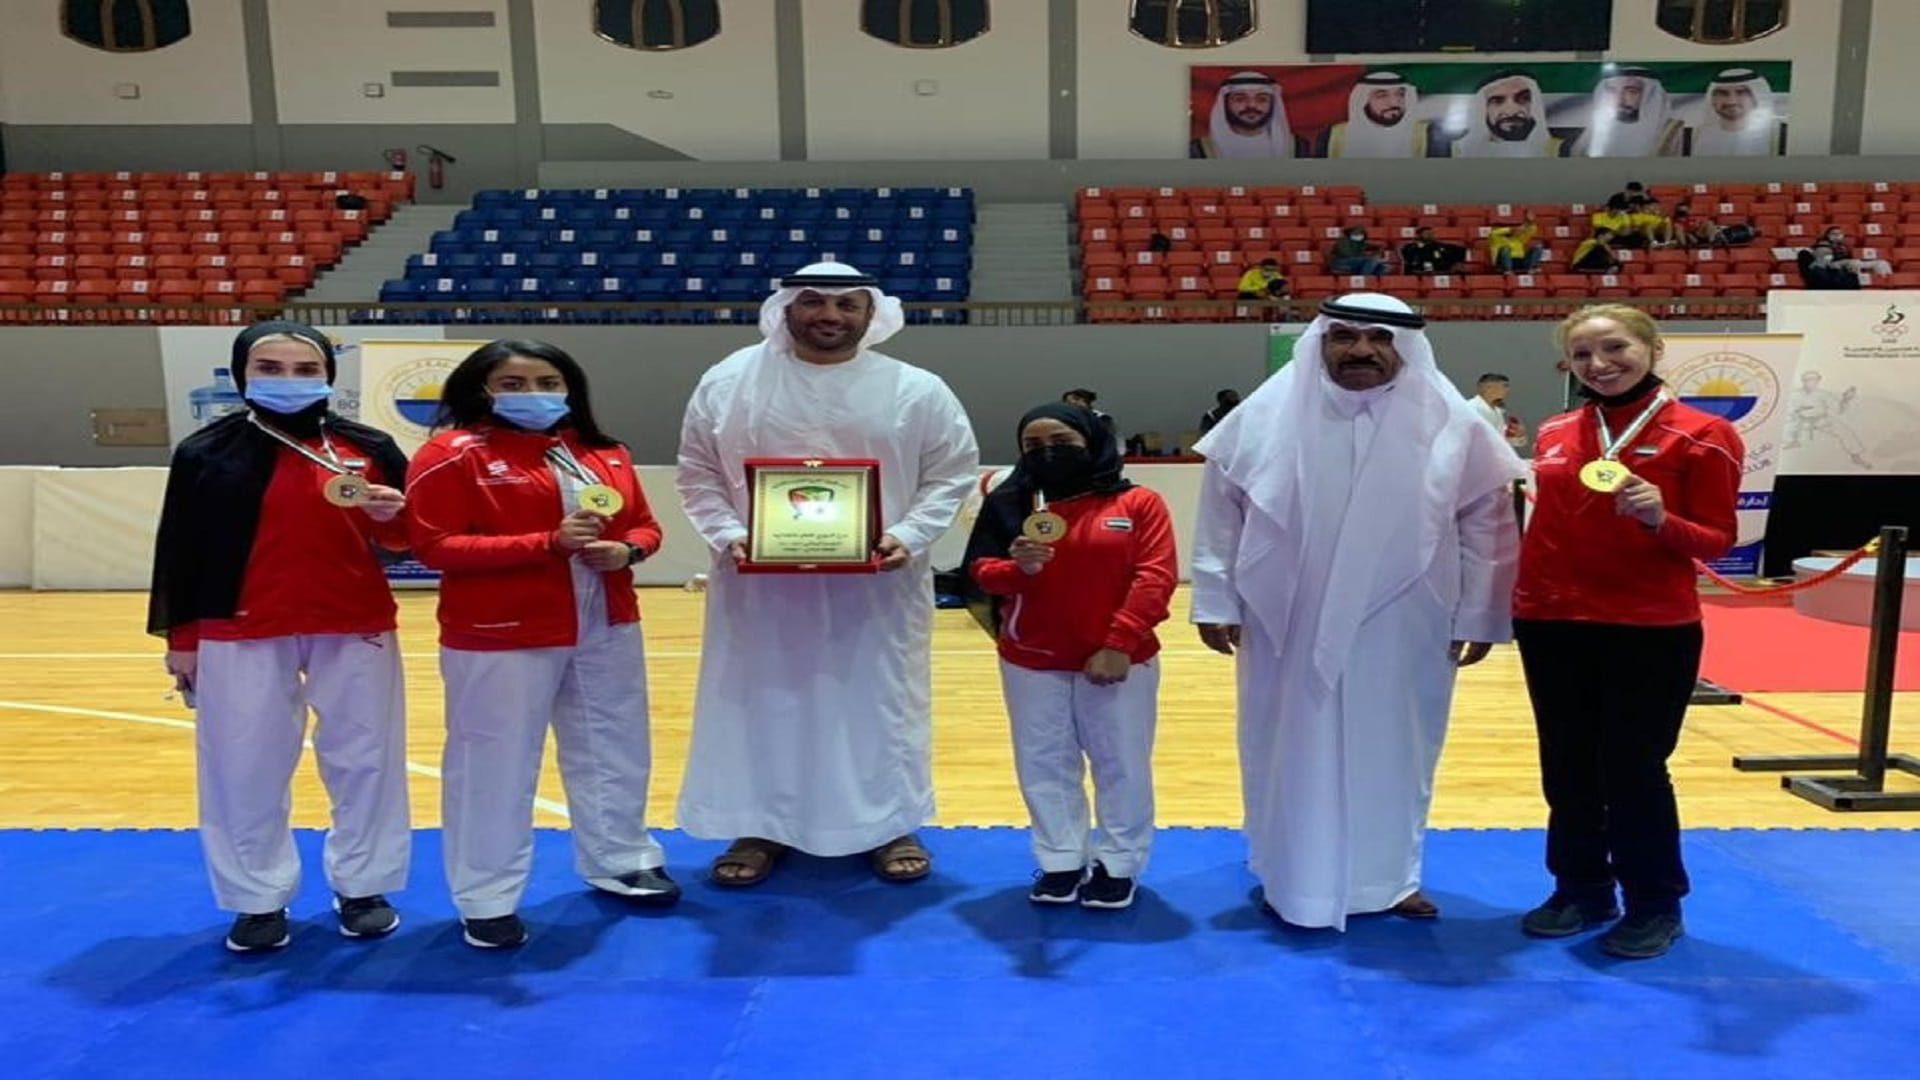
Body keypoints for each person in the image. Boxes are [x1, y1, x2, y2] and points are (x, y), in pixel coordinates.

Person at [1189, 293, 1526, 930]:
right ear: (1320, 341)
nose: (1361, 350)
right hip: (1287, 612)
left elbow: (1488, 525)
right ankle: (1288, 876)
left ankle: (1390, 879)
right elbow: (1220, 514)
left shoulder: (1451, 422)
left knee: (1397, 745)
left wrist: (1480, 616)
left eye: (1378, 338)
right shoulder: (1266, 415)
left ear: (1406, 347)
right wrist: (1215, 596)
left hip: (1406, 618)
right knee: (1287, 740)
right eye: (1344, 337)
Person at [675, 262, 979, 885]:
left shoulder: (916, 388)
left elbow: (951, 474)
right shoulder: (729, 381)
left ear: (872, 314)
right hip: (758, 589)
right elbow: (698, 472)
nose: (829, 316)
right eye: (812, 302)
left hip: (878, 587)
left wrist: (909, 535)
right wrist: (733, 536)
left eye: (847, 304)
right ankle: (759, 825)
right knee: (762, 700)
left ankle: (888, 822)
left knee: (877, 702)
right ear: (785, 307)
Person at [148, 321, 412, 953]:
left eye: (304, 369)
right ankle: (257, 898)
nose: (288, 381)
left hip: (353, 622)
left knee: (365, 759)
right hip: (238, 626)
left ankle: (364, 885)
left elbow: (409, 542)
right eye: (270, 368)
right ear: (242, 376)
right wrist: (180, 639)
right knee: (243, 765)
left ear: (327, 375)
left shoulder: (369, 445)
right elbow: (178, 552)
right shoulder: (204, 452)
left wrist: (392, 516)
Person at [407, 339, 676, 949]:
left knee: (614, 746)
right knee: (494, 764)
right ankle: (487, 896)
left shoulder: (603, 452)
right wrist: (544, 544)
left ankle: (620, 858)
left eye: (548, 381)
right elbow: (435, 547)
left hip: (604, 621)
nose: (534, 395)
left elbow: (644, 524)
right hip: (502, 632)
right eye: (514, 383)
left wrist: (628, 549)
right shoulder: (451, 456)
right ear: (481, 388)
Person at [1514, 304, 1743, 959]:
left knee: (1633, 769)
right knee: (1567, 766)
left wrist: (1660, 518)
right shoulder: (1558, 430)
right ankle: (1581, 888)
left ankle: (1654, 903)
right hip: (1552, 621)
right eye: (1583, 355)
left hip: (1647, 626)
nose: (1600, 365)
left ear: (1654, 348)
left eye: (1614, 348)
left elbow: (1720, 541)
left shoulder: (1702, 435)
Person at [961, 404, 1177, 909]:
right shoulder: (1011, 501)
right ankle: (1060, 859)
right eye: (1033, 445)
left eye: (1060, 439)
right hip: (1032, 657)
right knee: (1044, 763)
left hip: (1118, 660)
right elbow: (979, 572)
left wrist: (1118, 642)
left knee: (1120, 763)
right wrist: (1019, 570)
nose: (1047, 452)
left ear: (1093, 439)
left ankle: (1119, 862)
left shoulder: (1139, 503)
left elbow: (1156, 577)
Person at [1573, 68, 1681, 158]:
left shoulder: (1674, 133)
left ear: (1651, 96)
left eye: (1631, 92)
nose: (1619, 100)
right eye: (1612, 91)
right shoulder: (1589, 135)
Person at [1452, 70, 1560, 158]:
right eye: (1497, 101)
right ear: (1483, 109)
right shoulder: (1458, 152)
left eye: (1524, 98)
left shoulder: (1561, 149)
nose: (1511, 110)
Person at [1321, 71, 1427, 158]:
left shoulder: (1427, 134)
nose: (1394, 103)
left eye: (1400, 94)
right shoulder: (1334, 136)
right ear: (1363, 100)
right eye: (1381, 95)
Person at [1190, 70, 1294, 159]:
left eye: (1262, 99)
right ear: (1225, 104)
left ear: (1273, 104)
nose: (1251, 105)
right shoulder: (1199, 149)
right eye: (1240, 99)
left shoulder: (1297, 146)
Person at [1683, 68, 1785, 156]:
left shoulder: (1782, 136)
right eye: (1722, 93)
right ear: (1712, 99)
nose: (1731, 101)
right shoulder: (1688, 137)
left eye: (1741, 93)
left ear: (1756, 97)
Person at [1468, 372, 1527, 448]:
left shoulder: (1497, 411)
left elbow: (1503, 440)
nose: (1507, 390)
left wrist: (1518, 435)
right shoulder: (1472, 408)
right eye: (1504, 386)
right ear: (1487, 387)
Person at [1821, 227, 1892, 277]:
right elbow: (1824, 262)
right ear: (1828, 235)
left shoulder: (1844, 245)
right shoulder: (1823, 245)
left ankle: (1886, 283)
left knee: (1882, 263)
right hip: (1833, 264)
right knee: (1855, 263)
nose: (1837, 236)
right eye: (1834, 234)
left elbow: (1851, 256)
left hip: (1849, 262)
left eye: (1839, 234)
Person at [1797, 243, 1862, 290]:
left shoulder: (1844, 272)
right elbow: (1803, 254)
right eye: (1822, 253)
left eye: (1828, 254)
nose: (1826, 257)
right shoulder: (1812, 270)